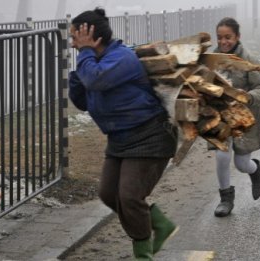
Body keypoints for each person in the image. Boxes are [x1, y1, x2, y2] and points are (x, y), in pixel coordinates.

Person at [68, 8, 179, 260]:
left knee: (129, 196)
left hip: (150, 134)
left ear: (91, 35)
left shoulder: (121, 58)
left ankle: (143, 253)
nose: (73, 42)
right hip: (119, 138)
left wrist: (85, 56)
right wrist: (76, 76)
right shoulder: (91, 63)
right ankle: (159, 223)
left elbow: (96, 81)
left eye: (76, 36)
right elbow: (83, 102)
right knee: (109, 194)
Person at [212, 17, 260, 217]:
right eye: (220, 38)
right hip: (221, 116)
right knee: (221, 156)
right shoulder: (211, 58)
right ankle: (226, 199)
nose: (223, 42)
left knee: (241, 164)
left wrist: (247, 97)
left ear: (238, 37)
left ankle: (256, 171)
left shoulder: (248, 60)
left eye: (228, 37)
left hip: (244, 118)